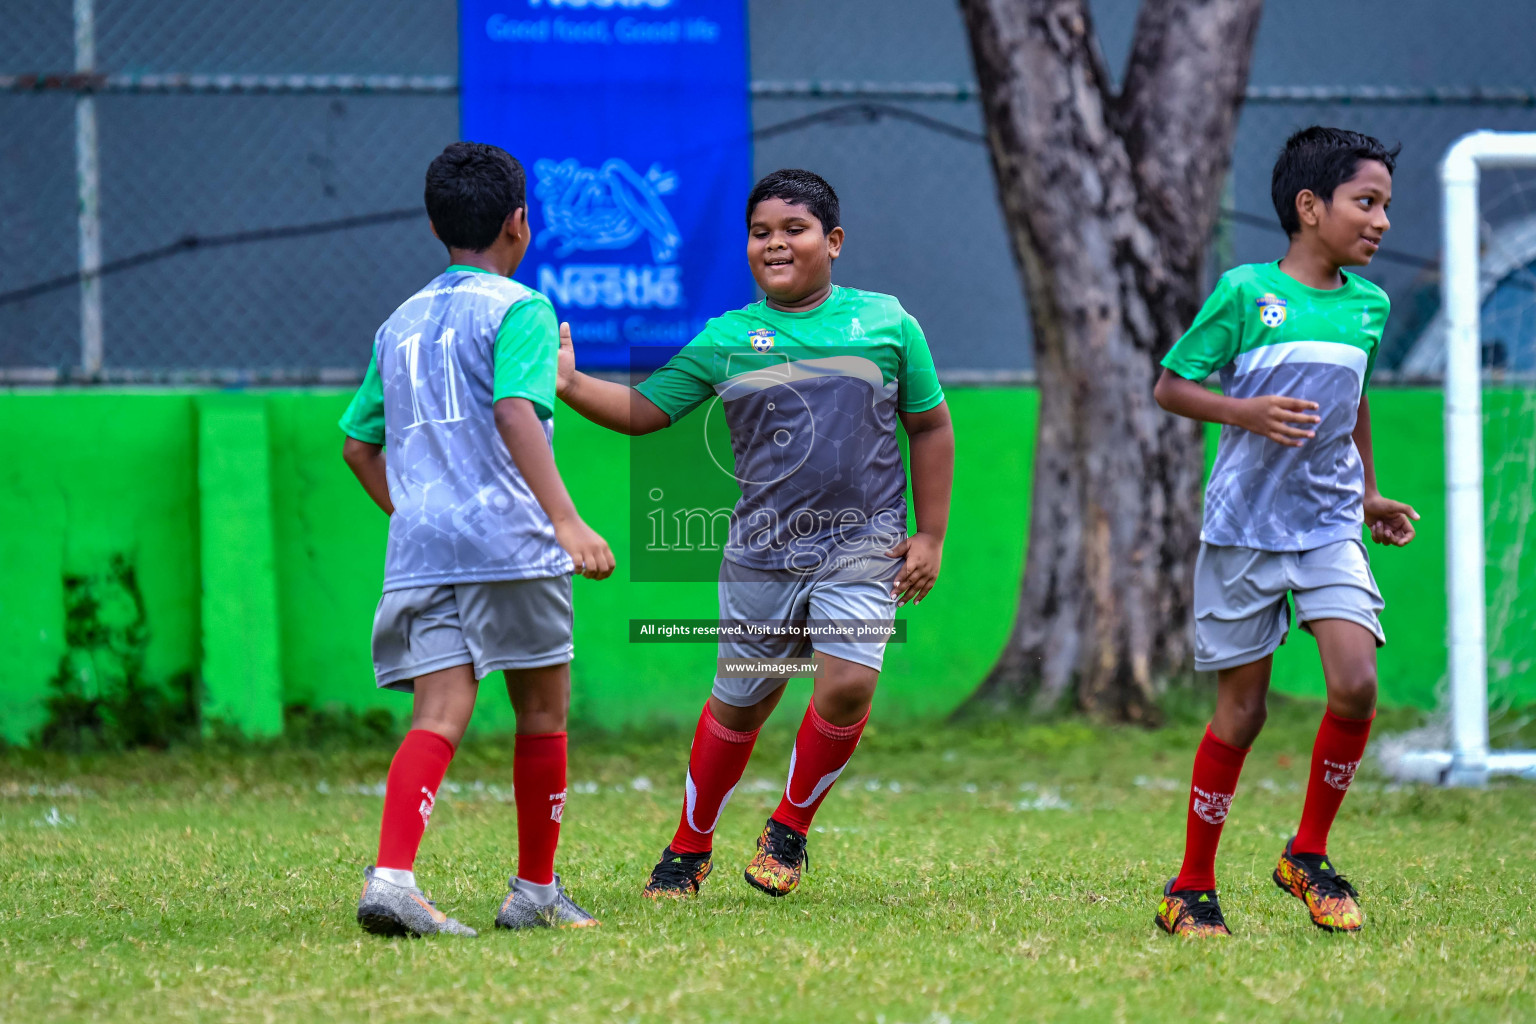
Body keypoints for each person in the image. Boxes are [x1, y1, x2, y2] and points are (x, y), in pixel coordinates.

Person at [556, 169, 955, 899]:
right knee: (743, 702)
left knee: (849, 684)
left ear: (832, 242)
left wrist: (929, 536)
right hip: (760, 554)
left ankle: (790, 829)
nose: (775, 243)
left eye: (793, 229)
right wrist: (572, 383)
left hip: (864, 543)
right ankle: (688, 847)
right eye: (760, 232)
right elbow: (645, 411)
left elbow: (929, 426)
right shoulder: (726, 338)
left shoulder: (889, 323)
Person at [339, 141, 615, 938]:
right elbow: (515, 411)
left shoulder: (399, 323)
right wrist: (567, 520)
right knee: (541, 712)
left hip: (422, 549)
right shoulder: (518, 309)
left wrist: (416, 511)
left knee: (439, 712)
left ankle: (393, 878)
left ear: (434, 225)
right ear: (520, 224)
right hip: (510, 541)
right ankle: (534, 890)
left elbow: (358, 445)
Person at [1151, 127, 1419, 936]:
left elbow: (1355, 399)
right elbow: (1171, 387)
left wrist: (1369, 492)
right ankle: (1191, 886)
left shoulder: (1368, 306)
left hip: (1329, 524)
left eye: (1385, 207)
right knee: (1244, 712)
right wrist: (1245, 412)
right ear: (1310, 208)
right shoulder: (1244, 294)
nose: (1380, 223)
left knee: (1355, 683)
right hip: (1242, 531)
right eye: (1364, 203)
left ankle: (1308, 853)